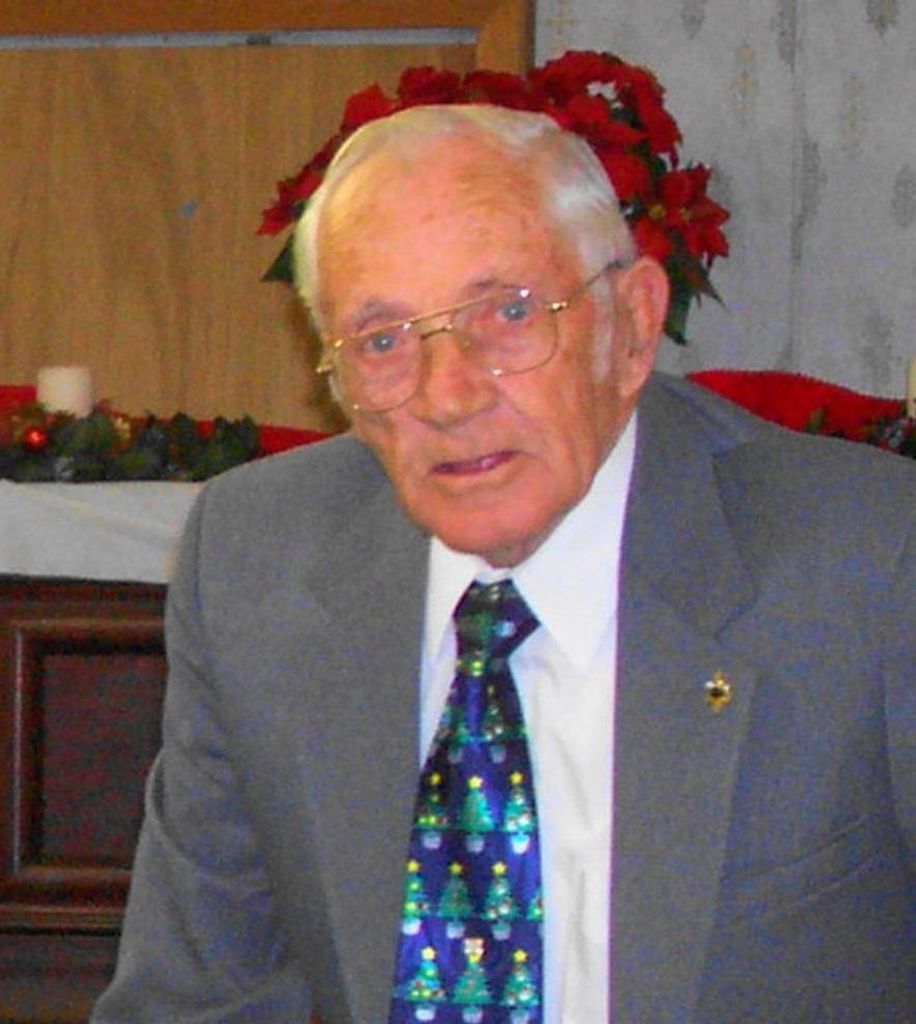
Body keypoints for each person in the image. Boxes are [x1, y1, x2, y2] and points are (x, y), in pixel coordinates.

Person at [92, 105, 916, 1023]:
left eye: (509, 314)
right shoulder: (258, 558)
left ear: (632, 325)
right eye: (382, 341)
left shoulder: (870, 560)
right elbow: (194, 998)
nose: (447, 396)